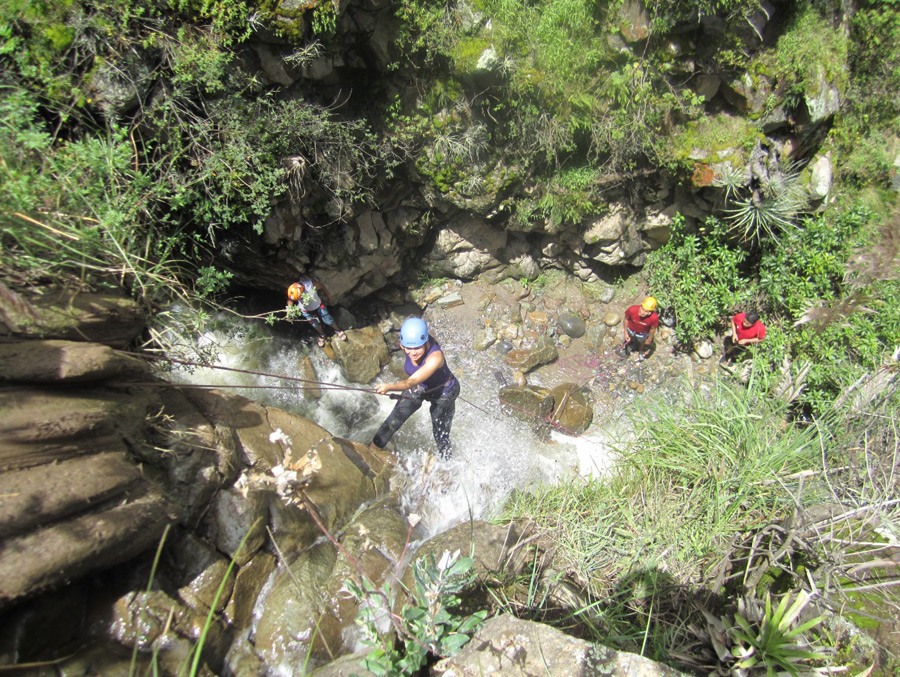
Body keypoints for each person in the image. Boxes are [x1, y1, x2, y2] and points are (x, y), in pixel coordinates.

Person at [371, 317, 460, 460]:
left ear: (426, 342)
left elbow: (411, 382)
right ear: (402, 345)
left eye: (417, 347)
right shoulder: (407, 344)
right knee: (395, 417)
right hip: (421, 388)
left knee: (440, 434)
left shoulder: (435, 357)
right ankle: (373, 449)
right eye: (408, 348)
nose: (412, 352)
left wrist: (389, 387)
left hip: (444, 393)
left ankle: (448, 462)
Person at [286, 276, 347, 347]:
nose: (299, 299)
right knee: (315, 324)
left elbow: (321, 286)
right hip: (306, 310)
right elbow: (290, 299)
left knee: (328, 320)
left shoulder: (310, 286)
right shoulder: (293, 290)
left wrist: (329, 295)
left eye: (299, 298)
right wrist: (289, 309)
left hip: (318, 305)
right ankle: (322, 334)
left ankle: (338, 330)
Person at [620, 296, 659, 361]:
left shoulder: (654, 318)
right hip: (631, 329)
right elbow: (626, 319)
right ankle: (625, 348)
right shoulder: (632, 310)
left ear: (650, 312)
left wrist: (649, 339)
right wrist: (625, 333)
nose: (643, 312)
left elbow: (653, 329)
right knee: (627, 340)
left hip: (642, 334)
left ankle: (640, 351)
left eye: (646, 311)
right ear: (641, 306)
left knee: (641, 343)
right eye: (642, 309)